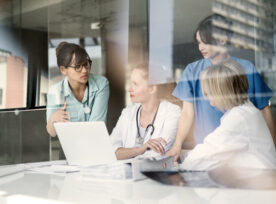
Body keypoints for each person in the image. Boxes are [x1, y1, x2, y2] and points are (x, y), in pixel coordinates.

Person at [167, 14, 276, 162]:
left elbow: (264, 110)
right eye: (198, 42)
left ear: (222, 40)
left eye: (205, 42)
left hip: (242, 153)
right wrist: (177, 144)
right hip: (207, 152)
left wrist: (274, 150)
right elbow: (187, 113)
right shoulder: (192, 71)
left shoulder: (246, 69)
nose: (200, 47)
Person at [181, 60, 276, 170]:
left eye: (210, 92)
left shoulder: (239, 118)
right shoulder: (245, 111)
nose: (207, 97)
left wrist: (184, 163)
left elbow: (204, 155)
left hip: (261, 182)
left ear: (223, 92)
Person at [46, 42, 109, 157]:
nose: (84, 70)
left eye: (86, 64)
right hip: (68, 151)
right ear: (63, 70)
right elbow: (52, 132)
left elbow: (96, 127)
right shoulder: (55, 91)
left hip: (95, 148)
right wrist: (53, 120)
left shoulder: (101, 84)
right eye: (77, 67)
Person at [110, 63, 181, 160]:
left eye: (135, 84)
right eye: (130, 83)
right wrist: (140, 149)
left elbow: (158, 153)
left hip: (157, 173)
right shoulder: (127, 113)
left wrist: (124, 153)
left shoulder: (172, 112)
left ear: (152, 88)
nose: (129, 89)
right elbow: (110, 151)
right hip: (125, 173)